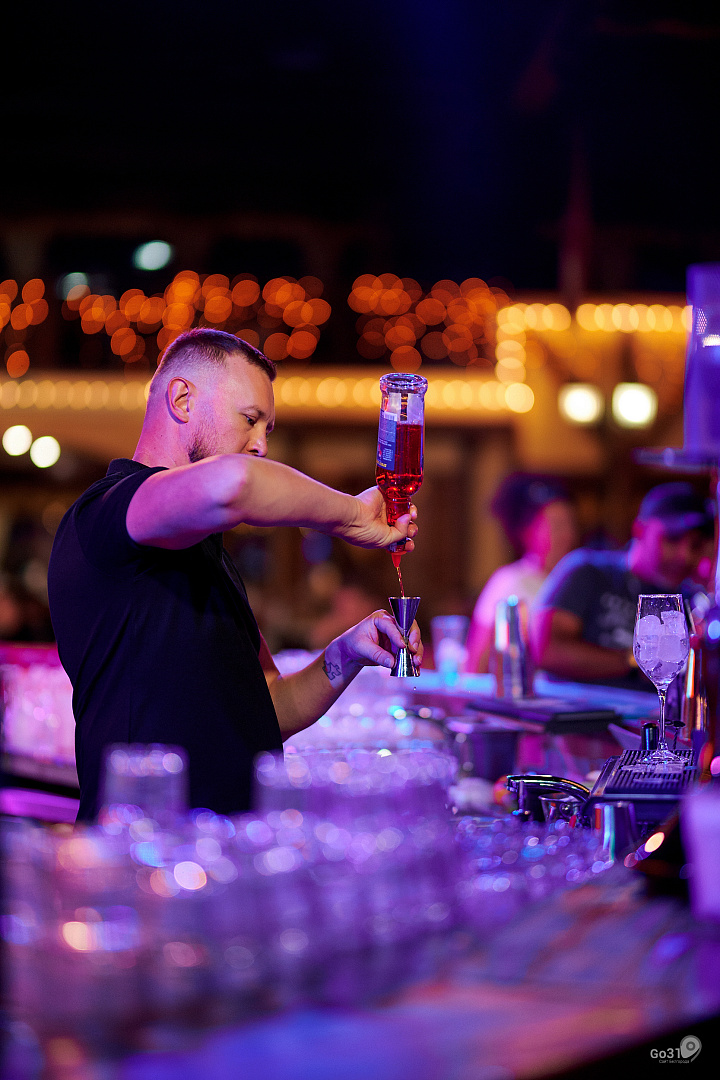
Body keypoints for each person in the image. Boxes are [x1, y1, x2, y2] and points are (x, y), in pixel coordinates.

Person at [47, 328, 421, 820]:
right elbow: (233, 484)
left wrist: (346, 653)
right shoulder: (108, 510)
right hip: (146, 845)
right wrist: (351, 515)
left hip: (225, 845)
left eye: (267, 428)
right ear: (182, 399)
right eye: (249, 419)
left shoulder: (205, 549)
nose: (261, 444)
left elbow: (270, 706)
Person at [529, 482, 714, 689]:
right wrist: (637, 660)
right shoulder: (588, 570)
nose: (684, 556)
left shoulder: (694, 601)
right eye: (672, 538)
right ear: (639, 530)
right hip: (578, 706)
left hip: (650, 709)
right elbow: (547, 650)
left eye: (696, 545)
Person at [464, 473, 577, 672]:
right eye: (556, 526)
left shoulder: (577, 580)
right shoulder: (509, 581)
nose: (566, 535)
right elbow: (476, 665)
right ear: (528, 531)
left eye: (570, 524)